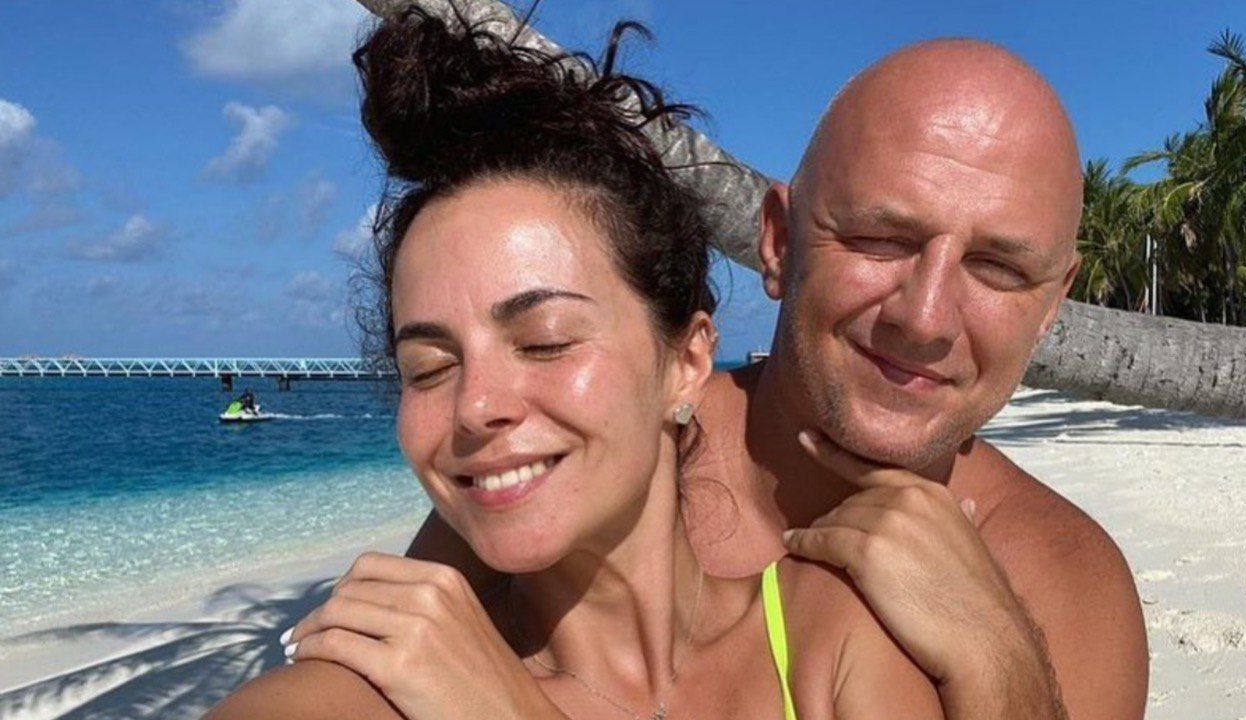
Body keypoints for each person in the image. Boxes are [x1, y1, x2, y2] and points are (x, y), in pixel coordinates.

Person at [208, 10, 945, 719]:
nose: (474, 406)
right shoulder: (370, 695)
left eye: (545, 341)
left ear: (687, 362)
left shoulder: (831, 638)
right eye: (428, 368)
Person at [405, 38, 1149, 720]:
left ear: (1051, 305)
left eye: (999, 269)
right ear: (779, 241)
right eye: (879, 239)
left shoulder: (1058, 581)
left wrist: (1000, 661)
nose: (925, 319)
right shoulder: (605, 456)